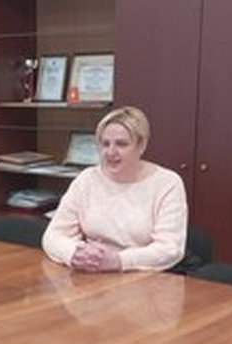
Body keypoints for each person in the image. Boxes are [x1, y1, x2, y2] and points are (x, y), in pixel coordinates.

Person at [42, 106, 187, 272]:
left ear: (141, 146)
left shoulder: (167, 183)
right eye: (105, 144)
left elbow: (170, 249)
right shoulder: (87, 180)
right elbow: (53, 236)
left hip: (146, 277)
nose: (111, 152)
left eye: (121, 144)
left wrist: (118, 260)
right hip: (92, 273)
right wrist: (74, 254)